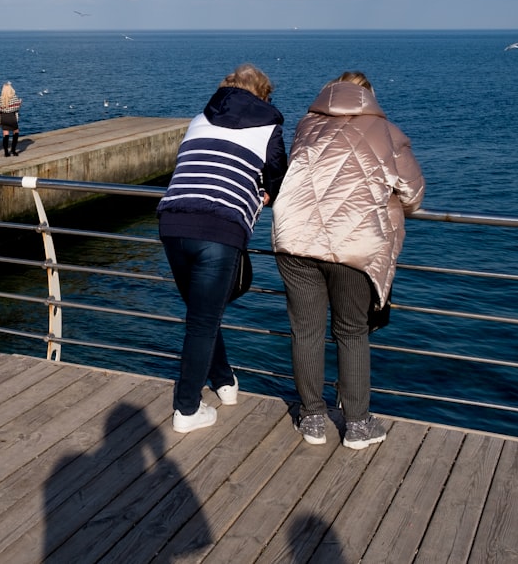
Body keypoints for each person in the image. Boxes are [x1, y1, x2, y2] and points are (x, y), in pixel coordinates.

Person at [272, 71, 425, 450]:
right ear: (369, 97)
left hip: (294, 238)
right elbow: (413, 194)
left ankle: (312, 419)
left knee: (306, 331)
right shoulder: (386, 131)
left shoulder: (308, 125)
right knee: (351, 332)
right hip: (353, 244)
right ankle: (357, 425)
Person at [157, 63, 287, 434]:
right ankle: (186, 409)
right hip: (219, 226)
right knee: (202, 321)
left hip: (173, 220)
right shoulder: (268, 127)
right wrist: (264, 193)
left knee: (202, 314)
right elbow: (277, 177)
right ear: (263, 94)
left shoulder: (199, 118)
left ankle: (225, 381)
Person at [0, 82, 22, 157]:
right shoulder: (14, 97)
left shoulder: (0, 98)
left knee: (5, 134)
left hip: (3, 117)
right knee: (16, 131)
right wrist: (20, 103)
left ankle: (6, 152)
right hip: (12, 117)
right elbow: (17, 107)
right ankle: (13, 150)